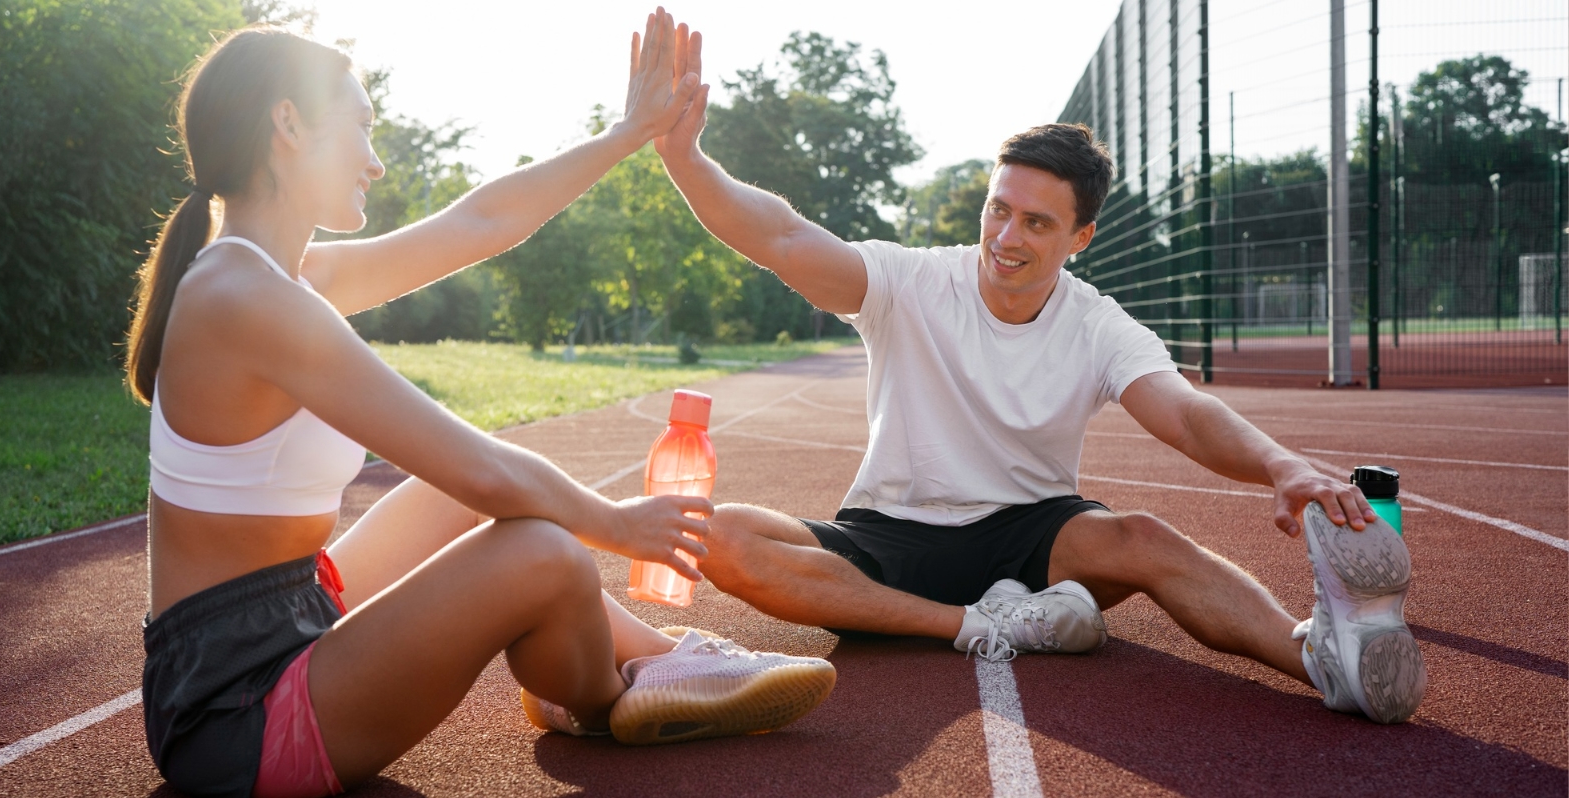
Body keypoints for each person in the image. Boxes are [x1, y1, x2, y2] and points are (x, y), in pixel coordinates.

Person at [128, 13, 834, 797]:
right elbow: (483, 470)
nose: (377, 160)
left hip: (291, 615)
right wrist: (619, 525)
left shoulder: (283, 279)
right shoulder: (246, 296)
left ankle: (661, 661)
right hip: (238, 718)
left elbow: (481, 221)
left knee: (454, 508)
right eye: (361, 127)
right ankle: (598, 697)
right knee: (546, 550)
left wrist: (626, 134)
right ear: (287, 123)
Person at [648, 37, 1426, 725]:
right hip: (887, 533)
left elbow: (1185, 414)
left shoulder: (1098, 325)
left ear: (1080, 236)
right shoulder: (908, 283)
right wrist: (687, 159)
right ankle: (977, 626)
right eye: (998, 210)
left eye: (1036, 223)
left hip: (1036, 536)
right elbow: (782, 235)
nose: (1005, 237)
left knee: (1146, 538)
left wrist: (1282, 465)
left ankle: (1326, 662)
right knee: (718, 534)